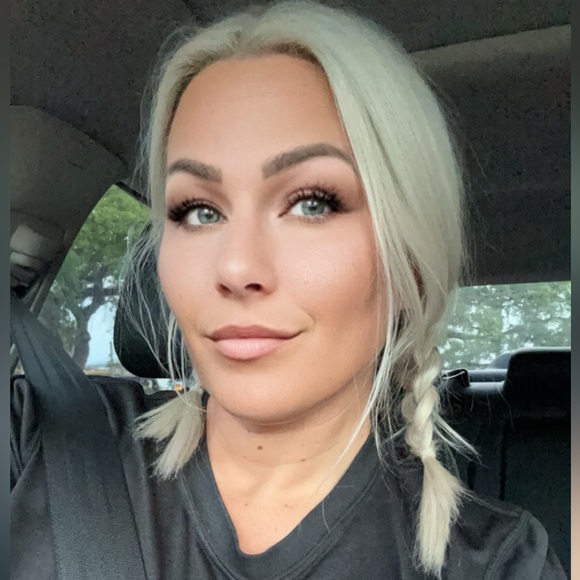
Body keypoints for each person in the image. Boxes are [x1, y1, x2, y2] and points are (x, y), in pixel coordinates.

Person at [11, 1, 566, 578]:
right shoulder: (39, 438)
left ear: (409, 264)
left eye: (312, 204)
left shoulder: (497, 563)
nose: (236, 266)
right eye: (199, 211)